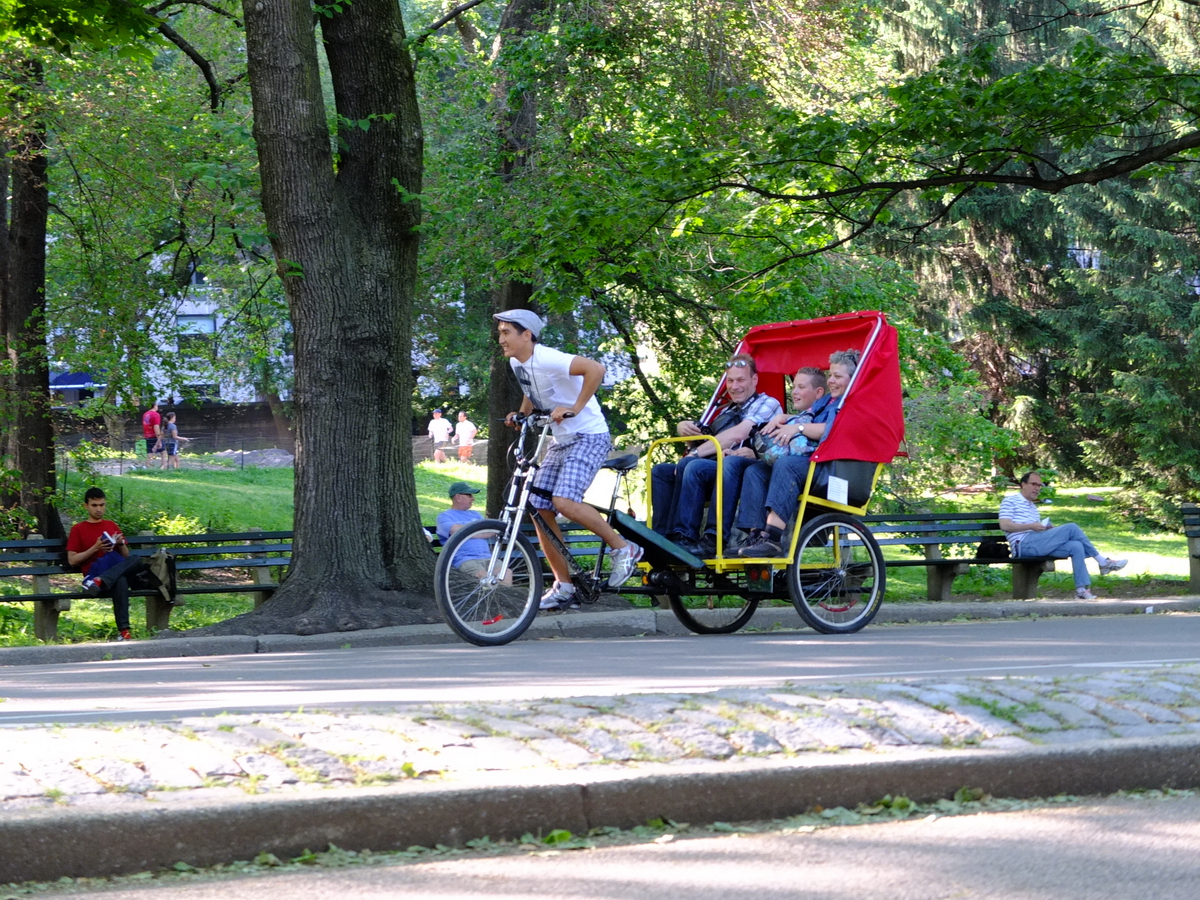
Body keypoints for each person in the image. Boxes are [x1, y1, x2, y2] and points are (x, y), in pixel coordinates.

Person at [495, 308, 642, 610]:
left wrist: (574, 407)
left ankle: (624, 548)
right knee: (539, 506)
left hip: (589, 436)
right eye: (500, 333)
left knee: (563, 501)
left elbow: (596, 369)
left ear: (527, 335)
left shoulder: (549, 357)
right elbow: (532, 390)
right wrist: (521, 415)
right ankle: (563, 585)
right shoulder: (517, 361)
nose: (501, 339)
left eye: (506, 332)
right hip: (561, 440)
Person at [650, 353, 783, 558]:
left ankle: (697, 537)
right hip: (718, 465)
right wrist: (686, 431)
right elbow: (708, 440)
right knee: (661, 472)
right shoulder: (725, 410)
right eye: (730, 381)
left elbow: (739, 433)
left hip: (748, 468)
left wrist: (695, 454)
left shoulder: (767, 403)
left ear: (754, 379)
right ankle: (662, 538)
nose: (734, 386)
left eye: (740, 380)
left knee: (694, 465)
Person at [737, 351, 854, 558]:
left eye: (838, 376)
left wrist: (798, 428)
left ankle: (772, 538)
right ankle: (755, 536)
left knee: (787, 464)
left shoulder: (850, 403)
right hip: (808, 459)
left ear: (852, 379)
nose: (832, 381)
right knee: (756, 470)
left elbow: (832, 429)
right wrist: (784, 417)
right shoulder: (826, 401)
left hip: (829, 466)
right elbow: (809, 418)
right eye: (831, 375)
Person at [999, 472, 1128, 599]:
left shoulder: (1032, 506)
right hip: (1022, 545)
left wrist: (1046, 529)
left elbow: (1035, 529)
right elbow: (1004, 525)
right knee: (1071, 527)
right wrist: (1031, 526)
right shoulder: (1010, 501)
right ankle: (1102, 562)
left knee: (1076, 546)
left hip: (1037, 543)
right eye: (1034, 484)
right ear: (1023, 484)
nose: (1037, 488)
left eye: (1039, 485)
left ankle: (1082, 590)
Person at [66, 487, 147, 641]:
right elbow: (72, 560)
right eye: (94, 505)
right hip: (94, 574)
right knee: (121, 580)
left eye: (102, 505)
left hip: (109, 575)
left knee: (136, 559)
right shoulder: (78, 529)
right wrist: (95, 548)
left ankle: (103, 581)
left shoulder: (111, 525)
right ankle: (124, 631)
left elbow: (126, 557)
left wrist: (120, 543)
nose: (99, 509)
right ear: (86, 506)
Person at [436, 481, 494, 578]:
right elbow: (455, 530)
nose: (473, 499)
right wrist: (479, 531)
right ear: (458, 497)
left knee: (506, 573)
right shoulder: (444, 516)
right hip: (464, 559)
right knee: (483, 576)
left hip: (488, 558)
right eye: (469, 495)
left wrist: (467, 532)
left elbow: (490, 530)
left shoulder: (476, 514)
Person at [141, 399, 163, 464]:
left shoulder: (145, 414)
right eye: (157, 405)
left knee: (149, 452)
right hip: (154, 435)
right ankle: (164, 466)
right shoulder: (156, 415)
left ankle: (147, 465)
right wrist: (159, 438)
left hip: (147, 435)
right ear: (155, 406)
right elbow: (156, 427)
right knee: (163, 451)